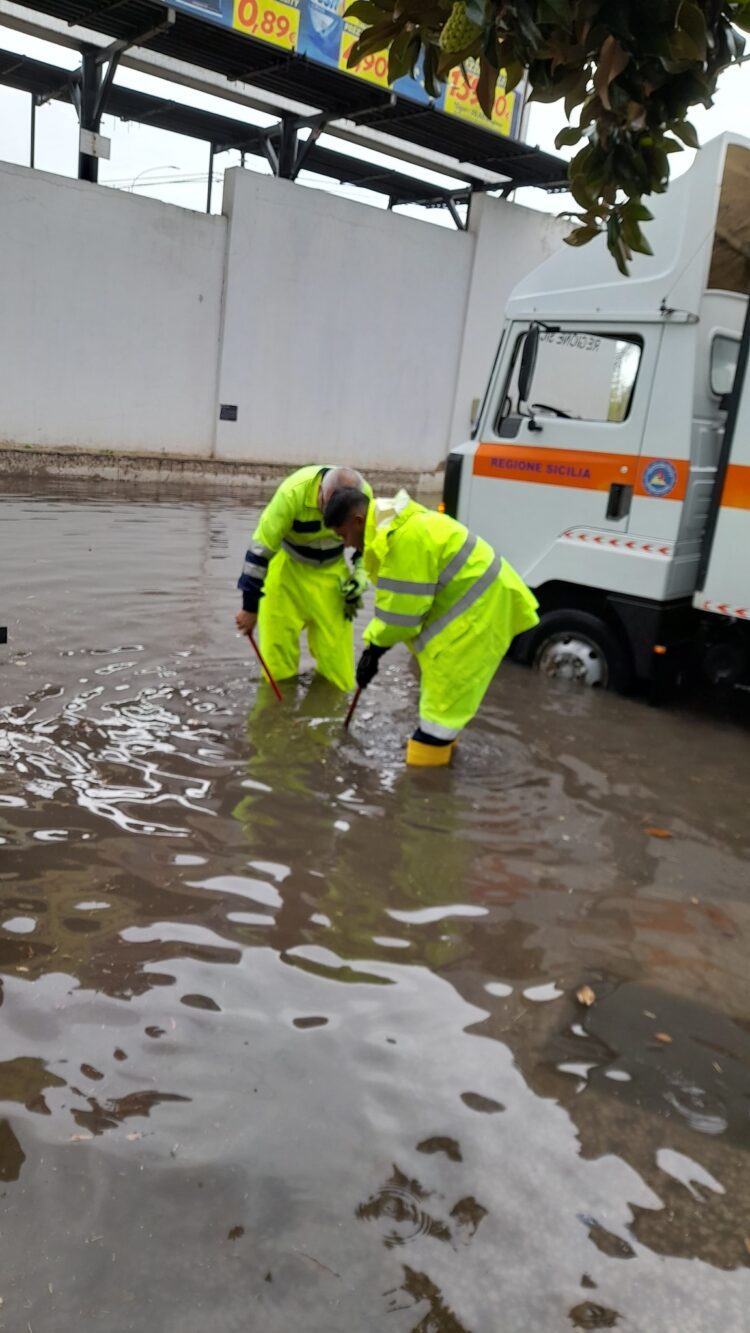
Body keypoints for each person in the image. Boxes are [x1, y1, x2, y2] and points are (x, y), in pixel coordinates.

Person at [323, 487, 539, 766]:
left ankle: (421, 796)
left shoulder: (402, 540)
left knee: (437, 719)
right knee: (445, 710)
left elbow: (401, 617)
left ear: (358, 520)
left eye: (343, 535)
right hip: (477, 607)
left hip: (476, 617)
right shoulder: (398, 522)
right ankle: (445, 766)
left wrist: (372, 651)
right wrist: (374, 649)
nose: (347, 545)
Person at [235, 465, 370, 693]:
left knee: (339, 671)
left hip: (332, 576)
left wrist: (360, 575)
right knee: (277, 666)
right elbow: (260, 549)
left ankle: (328, 716)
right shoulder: (291, 493)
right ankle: (277, 719)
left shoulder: (363, 497)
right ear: (320, 493)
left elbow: (368, 545)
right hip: (286, 573)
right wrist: (250, 607)